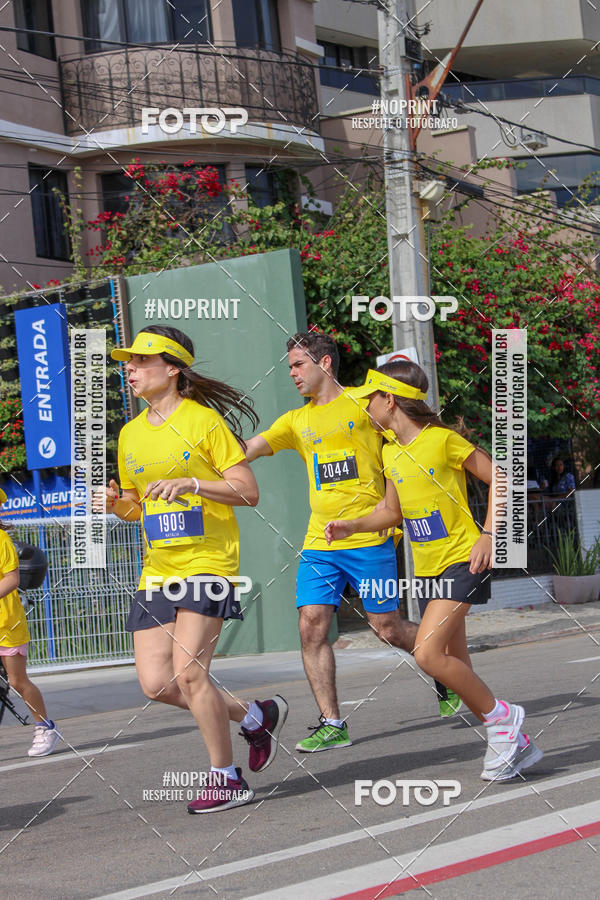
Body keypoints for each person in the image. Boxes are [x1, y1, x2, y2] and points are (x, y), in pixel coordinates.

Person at [325, 361, 543, 781]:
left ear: (389, 400)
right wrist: (352, 525)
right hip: (427, 571)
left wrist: (489, 535)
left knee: (427, 654)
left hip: (463, 559)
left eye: (369, 399)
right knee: (455, 665)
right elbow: (391, 511)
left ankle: (504, 718)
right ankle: (519, 744)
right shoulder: (390, 451)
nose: (365, 408)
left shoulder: (442, 441)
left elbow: (500, 476)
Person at [104, 326, 288, 813]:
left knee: (190, 674)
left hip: (208, 562)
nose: (131, 369)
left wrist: (193, 483)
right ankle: (254, 716)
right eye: (129, 361)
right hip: (157, 570)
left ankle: (226, 779)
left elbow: (248, 492)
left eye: (142, 361)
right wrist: (114, 505)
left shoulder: (204, 423)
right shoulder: (129, 434)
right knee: (157, 684)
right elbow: (138, 506)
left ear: (173, 369)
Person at [245, 332, 452, 755]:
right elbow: (246, 450)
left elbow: (408, 429)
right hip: (320, 542)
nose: (292, 374)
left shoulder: (365, 401)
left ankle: (443, 665)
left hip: (369, 537)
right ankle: (332, 722)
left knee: (387, 628)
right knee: (311, 625)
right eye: (289, 367)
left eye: (298, 365)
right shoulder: (295, 422)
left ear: (324, 363)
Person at [0, 492, 60, 756]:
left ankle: (45, 727)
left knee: (17, 681)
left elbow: (12, 580)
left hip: (6, 623)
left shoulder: (2, 541)